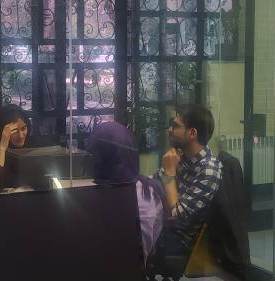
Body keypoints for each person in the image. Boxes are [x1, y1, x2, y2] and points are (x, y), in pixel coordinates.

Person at [87, 122, 166, 263]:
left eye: (94, 154)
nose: (88, 161)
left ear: (106, 158)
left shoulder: (116, 196)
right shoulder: (147, 187)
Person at [156, 104, 222, 245]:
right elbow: (155, 186)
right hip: (160, 228)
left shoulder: (208, 170)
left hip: (177, 242)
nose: (169, 130)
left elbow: (175, 216)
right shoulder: (180, 155)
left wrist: (169, 173)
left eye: (175, 126)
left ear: (192, 133)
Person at [0, 104, 31, 188]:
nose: (20, 136)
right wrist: (2, 147)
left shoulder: (33, 145)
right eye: (14, 131)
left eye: (23, 128)